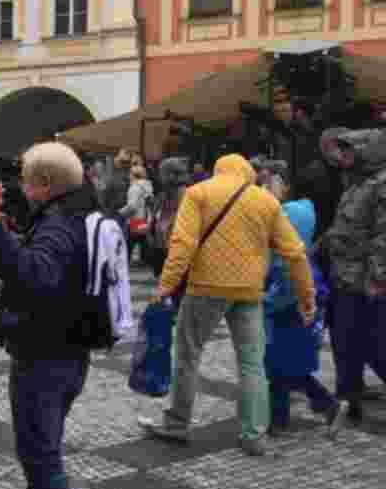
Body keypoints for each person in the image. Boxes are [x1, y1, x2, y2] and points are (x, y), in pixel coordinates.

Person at [0, 142, 95, 489]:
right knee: (42, 443)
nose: (20, 188)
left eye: (26, 180)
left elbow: (35, 277)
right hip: (69, 351)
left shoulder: (60, 226)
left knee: (40, 452)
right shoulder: (80, 215)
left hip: (46, 354)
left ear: (44, 185)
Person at [143, 154, 316, 456]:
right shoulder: (265, 201)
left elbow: (182, 245)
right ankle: (253, 434)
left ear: (217, 170)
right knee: (252, 365)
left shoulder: (199, 193)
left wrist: (165, 286)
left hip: (205, 289)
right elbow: (296, 253)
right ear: (248, 172)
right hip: (249, 291)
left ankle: (177, 424)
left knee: (188, 355)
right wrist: (307, 298)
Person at [263, 172, 342, 437]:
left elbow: (285, 274)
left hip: (289, 302)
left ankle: (283, 421)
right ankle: (321, 406)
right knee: (287, 366)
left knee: (278, 365)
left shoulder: (287, 217)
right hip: (300, 298)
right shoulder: (304, 214)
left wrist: (268, 301)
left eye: (271, 184)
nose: (265, 189)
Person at [321, 129, 386, 422]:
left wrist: (377, 278)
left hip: (365, 281)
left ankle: (350, 397)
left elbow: (383, 236)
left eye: (349, 150)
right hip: (344, 277)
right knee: (345, 342)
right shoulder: (354, 185)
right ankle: (348, 401)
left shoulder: (380, 185)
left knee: (375, 344)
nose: (342, 156)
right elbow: (342, 228)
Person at [120, 164, 153, 265]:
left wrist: (119, 213)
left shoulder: (134, 188)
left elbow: (132, 206)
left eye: (130, 174)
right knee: (141, 240)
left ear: (134, 175)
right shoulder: (147, 186)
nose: (128, 176)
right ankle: (148, 261)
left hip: (135, 220)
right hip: (145, 219)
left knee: (129, 242)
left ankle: (124, 262)